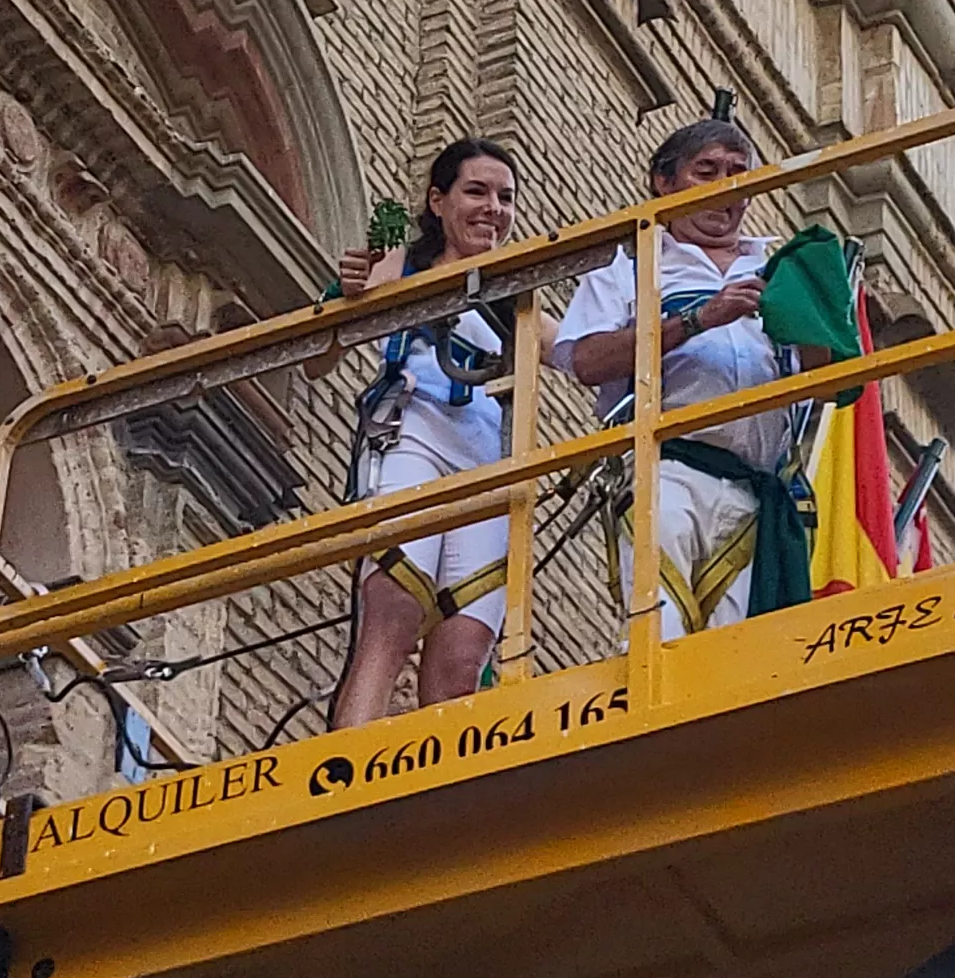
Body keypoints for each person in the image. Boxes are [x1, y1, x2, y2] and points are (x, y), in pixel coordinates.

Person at [556, 115, 798, 638]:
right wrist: (697, 320)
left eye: (737, 173)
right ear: (663, 183)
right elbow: (587, 361)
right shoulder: (632, 266)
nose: (724, 187)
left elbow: (825, 383)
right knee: (657, 634)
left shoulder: (779, 270)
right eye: (704, 171)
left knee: (734, 661)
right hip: (668, 470)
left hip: (756, 492)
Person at [326, 139, 534, 727]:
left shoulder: (516, 292)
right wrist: (355, 284)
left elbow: (574, 352)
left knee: (465, 652)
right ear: (437, 201)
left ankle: (448, 803)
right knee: (390, 615)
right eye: (476, 191)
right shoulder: (403, 265)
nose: (493, 207)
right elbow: (325, 350)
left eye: (505, 196)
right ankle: (348, 771)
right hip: (411, 434)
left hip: (486, 468)